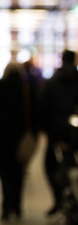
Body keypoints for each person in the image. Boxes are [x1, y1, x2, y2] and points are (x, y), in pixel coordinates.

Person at [0, 62, 36, 220]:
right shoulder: (26, 88)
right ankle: (17, 207)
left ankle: (6, 208)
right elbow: (35, 113)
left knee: (4, 174)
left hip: (0, 139)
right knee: (18, 174)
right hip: (20, 139)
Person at [41, 49, 78, 216]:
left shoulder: (52, 82)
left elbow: (42, 106)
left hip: (55, 132)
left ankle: (60, 198)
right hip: (75, 133)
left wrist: (45, 129)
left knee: (51, 166)